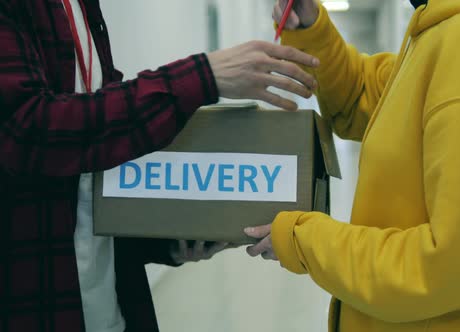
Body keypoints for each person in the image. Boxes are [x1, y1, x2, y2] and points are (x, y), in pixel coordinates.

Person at [246, 0, 460, 331]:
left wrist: (305, 240)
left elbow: (457, 266)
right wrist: (311, 27)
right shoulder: (435, 35)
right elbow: (364, 95)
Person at [0, 0, 320, 331]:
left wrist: (163, 241)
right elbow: (25, 130)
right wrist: (199, 77)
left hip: (110, 311)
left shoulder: (85, 10)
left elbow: (91, 162)